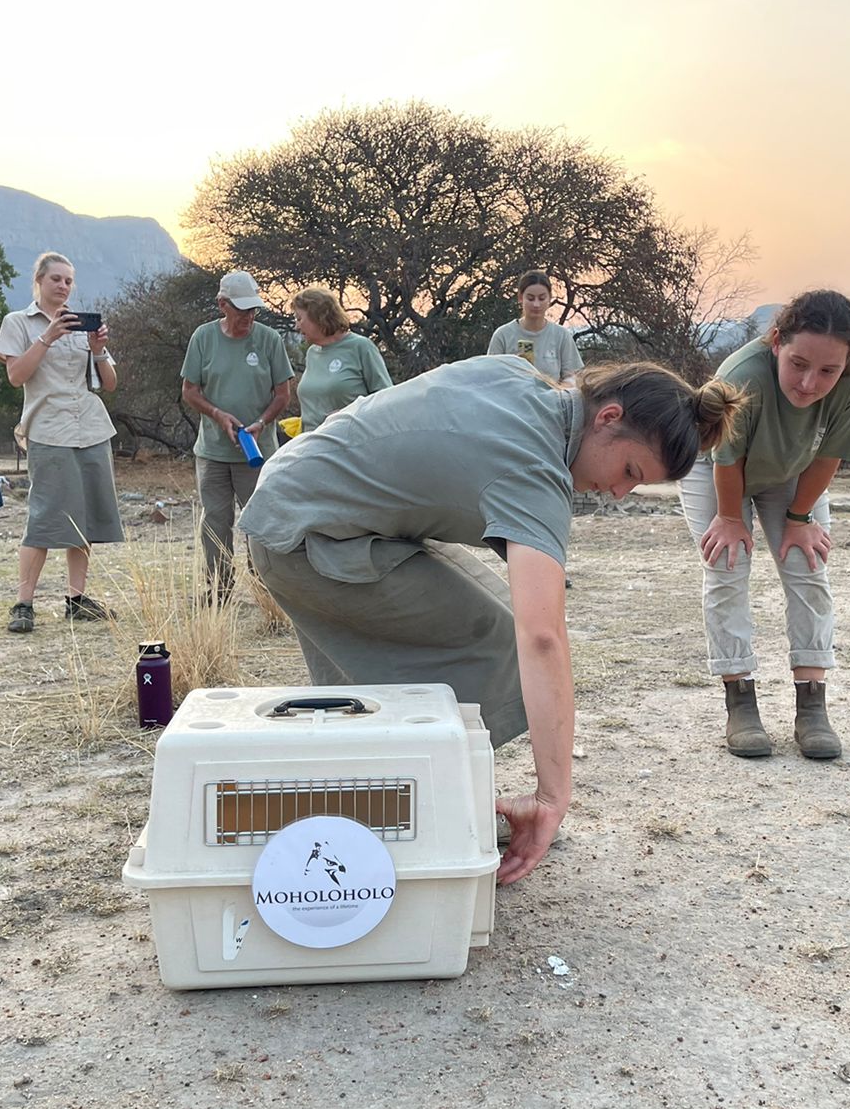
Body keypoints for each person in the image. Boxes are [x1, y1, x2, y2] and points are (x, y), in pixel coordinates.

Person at [241, 357, 743, 885]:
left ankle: (398, 799)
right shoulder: (534, 469)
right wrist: (555, 796)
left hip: (310, 501)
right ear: (607, 417)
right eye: (629, 473)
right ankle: (407, 805)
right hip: (302, 534)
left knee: (484, 630)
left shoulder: (517, 377)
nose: (619, 493)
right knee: (498, 646)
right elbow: (543, 637)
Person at [680, 290, 850, 760]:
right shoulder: (741, 376)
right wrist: (730, 518)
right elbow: (727, 457)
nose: (810, 383)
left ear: (848, 361)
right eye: (798, 363)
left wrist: (798, 517)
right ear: (775, 342)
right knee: (728, 565)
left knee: (807, 567)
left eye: (829, 370)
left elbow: (832, 452)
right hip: (715, 466)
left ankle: (812, 707)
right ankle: (740, 701)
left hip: (791, 468)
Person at [0, 253, 123, 632]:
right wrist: (47, 338)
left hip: (92, 428)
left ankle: (76, 599)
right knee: (46, 516)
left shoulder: (82, 325)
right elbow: (16, 375)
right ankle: (23, 603)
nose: (63, 286)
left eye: (68, 280)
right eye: (56, 279)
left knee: (84, 516)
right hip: (48, 429)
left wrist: (98, 349)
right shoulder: (17, 323)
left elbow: (109, 384)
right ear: (39, 281)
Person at [180, 270, 293, 597]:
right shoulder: (203, 337)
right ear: (222, 305)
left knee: (259, 523)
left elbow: (283, 394)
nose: (248, 316)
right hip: (213, 452)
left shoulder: (269, 339)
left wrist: (261, 422)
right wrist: (216, 414)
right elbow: (189, 390)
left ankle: (266, 588)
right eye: (241, 309)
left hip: (256, 453)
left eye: (253, 309)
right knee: (214, 522)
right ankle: (218, 589)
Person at [290, 287, 393, 432]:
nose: (296, 326)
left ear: (318, 316)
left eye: (299, 319)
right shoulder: (312, 353)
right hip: (311, 444)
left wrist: (352, 414)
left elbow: (386, 399)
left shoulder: (361, 347)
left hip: (350, 443)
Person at [487, 270, 583, 382]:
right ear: (520, 298)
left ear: (549, 298)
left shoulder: (562, 335)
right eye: (530, 298)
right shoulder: (503, 335)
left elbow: (574, 378)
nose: (536, 304)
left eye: (542, 298)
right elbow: (491, 377)